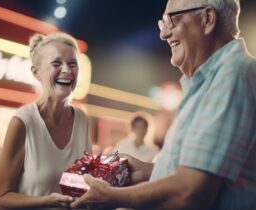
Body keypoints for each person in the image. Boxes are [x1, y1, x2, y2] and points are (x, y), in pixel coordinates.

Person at [71, 0, 256, 209]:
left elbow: (190, 192)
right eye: (162, 24)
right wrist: (147, 171)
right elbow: (198, 175)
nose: (163, 34)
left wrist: (111, 196)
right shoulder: (210, 81)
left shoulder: (232, 74)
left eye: (171, 20)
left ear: (208, 19)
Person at [0, 32, 92, 210]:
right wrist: (47, 201)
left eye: (72, 64)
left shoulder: (82, 119)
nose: (67, 70)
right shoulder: (23, 121)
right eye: (56, 63)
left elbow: (85, 183)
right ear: (36, 72)